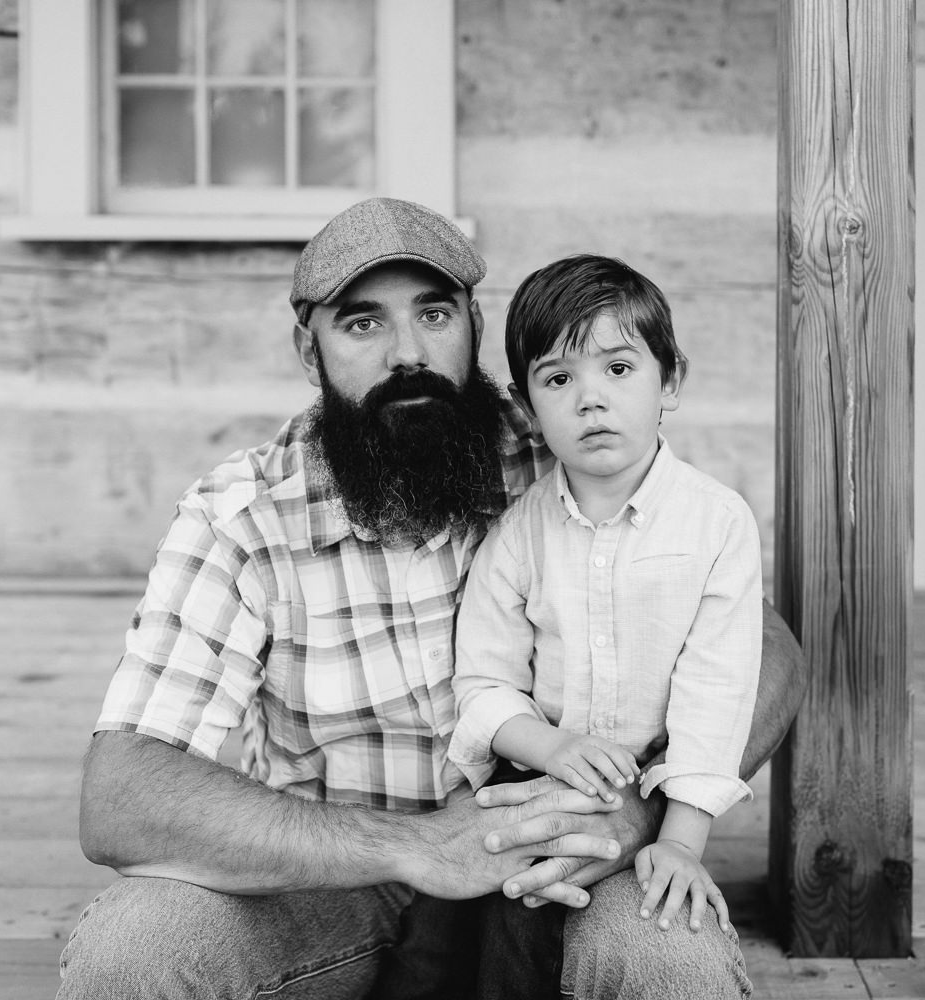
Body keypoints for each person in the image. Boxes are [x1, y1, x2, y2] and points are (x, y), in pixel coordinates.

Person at [56, 198, 805, 999]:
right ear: (309, 353)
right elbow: (124, 796)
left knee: (673, 963)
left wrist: (640, 817)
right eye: (363, 323)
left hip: (562, 858)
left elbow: (766, 653)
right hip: (332, 881)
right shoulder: (241, 517)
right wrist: (412, 847)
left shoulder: (561, 451)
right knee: (129, 955)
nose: (407, 353)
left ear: (473, 328)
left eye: (434, 314)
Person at [449, 254, 762, 996]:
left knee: (655, 933)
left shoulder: (716, 524)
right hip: (537, 775)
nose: (591, 400)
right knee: (513, 901)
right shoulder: (520, 533)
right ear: (526, 408)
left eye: (619, 369)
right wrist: (551, 746)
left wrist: (682, 840)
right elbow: (484, 681)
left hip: (654, 785)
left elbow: (715, 690)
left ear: (670, 382)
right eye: (559, 379)